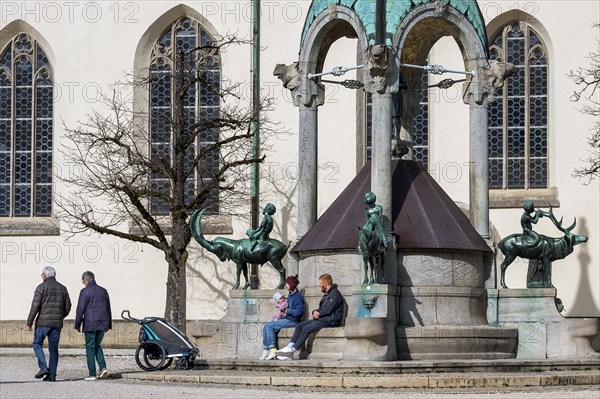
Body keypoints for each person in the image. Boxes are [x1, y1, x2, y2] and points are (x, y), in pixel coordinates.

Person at [276, 273, 344, 360]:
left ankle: (292, 350)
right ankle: (289, 346)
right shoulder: (327, 294)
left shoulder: (335, 294)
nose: (320, 286)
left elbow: (328, 310)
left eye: (320, 284)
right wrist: (315, 311)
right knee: (300, 326)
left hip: (331, 320)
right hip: (323, 318)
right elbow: (322, 308)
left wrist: (318, 313)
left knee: (306, 329)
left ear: (325, 283)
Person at [26, 266, 72, 382]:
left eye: (42, 274)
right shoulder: (63, 288)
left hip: (42, 323)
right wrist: (60, 317)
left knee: (37, 344)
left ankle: (43, 368)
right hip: (56, 325)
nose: (41, 276)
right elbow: (68, 306)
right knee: (53, 349)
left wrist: (29, 322)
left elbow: (35, 306)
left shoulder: (41, 287)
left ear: (45, 275)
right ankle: (52, 376)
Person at [75, 271, 112, 381]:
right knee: (97, 345)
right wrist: (108, 324)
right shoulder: (103, 291)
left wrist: (77, 324)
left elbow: (80, 309)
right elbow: (108, 308)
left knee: (90, 347)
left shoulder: (85, 291)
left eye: (83, 282)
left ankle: (92, 373)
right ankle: (103, 368)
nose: (83, 284)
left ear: (86, 280)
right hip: (102, 323)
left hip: (90, 324)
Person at [259, 275, 304, 360]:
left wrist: (286, 310)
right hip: (287, 319)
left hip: (293, 321)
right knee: (266, 326)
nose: (285, 285)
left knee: (270, 326)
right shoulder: (291, 295)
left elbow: (299, 312)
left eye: (287, 283)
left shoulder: (297, 297)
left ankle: (273, 350)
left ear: (291, 285)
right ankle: (266, 350)